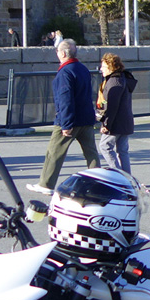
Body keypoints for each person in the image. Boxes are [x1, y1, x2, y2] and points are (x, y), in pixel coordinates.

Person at [28, 40, 100, 194]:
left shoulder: (65, 72)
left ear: (63, 53)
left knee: (54, 151)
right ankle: (98, 182)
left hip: (70, 120)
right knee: (91, 153)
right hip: (86, 119)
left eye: (57, 51)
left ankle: (46, 184)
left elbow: (65, 99)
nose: (57, 54)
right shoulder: (82, 69)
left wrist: (66, 123)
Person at [96, 53, 136, 173]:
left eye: (103, 66)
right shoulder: (123, 78)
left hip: (116, 122)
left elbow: (112, 106)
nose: (101, 69)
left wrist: (106, 124)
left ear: (111, 67)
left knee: (105, 146)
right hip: (126, 120)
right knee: (122, 150)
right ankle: (128, 178)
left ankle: (119, 176)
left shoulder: (114, 82)